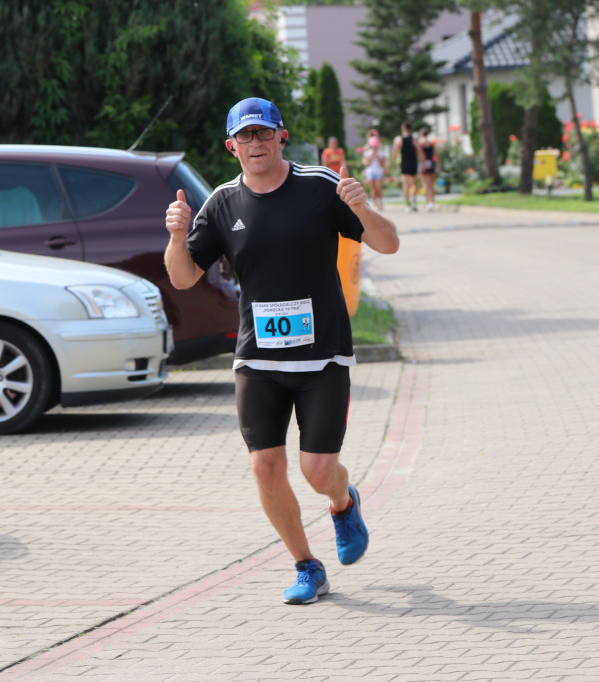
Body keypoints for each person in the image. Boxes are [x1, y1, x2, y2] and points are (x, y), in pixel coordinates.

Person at [164, 97, 399, 605]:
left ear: (281, 137)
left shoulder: (319, 186)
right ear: (231, 146)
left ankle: (343, 501)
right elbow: (182, 278)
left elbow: (389, 243)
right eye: (244, 137)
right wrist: (177, 236)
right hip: (259, 360)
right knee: (265, 466)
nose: (255, 144)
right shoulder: (223, 203)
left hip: (323, 358)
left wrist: (361, 206)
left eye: (263, 134)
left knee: (317, 472)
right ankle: (307, 566)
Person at [392, 121, 423, 213]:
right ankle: (414, 201)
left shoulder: (399, 139)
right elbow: (420, 152)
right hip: (413, 163)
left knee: (405, 184)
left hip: (404, 164)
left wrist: (394, 163)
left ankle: (408, 204)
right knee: (414, 184)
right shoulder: (414, 140)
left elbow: (394, 153)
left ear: (403, 128)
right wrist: (422, 162)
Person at [362, 133, 386, 211]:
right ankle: (374, 202)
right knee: (373, 188)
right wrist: (372, 155)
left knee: (379, 187)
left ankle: (380, 202)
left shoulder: (380, 152)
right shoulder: (367, 152)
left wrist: (378, 157)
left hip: (378, 171)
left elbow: (382, 164)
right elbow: (367, 164)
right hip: (371, 171)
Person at [419, 127, 438, 212]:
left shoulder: (420, 143)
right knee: (431, 185)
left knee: (425, 184)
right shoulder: (431, 143)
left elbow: (420, 155)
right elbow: (435, 154)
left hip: (424, 164)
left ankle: (427, 203)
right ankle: (432, 203)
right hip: (431, 163)